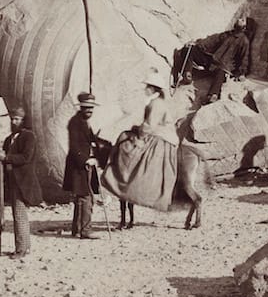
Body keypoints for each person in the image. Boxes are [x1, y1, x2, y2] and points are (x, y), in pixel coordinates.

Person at [101, 72, 180, 212]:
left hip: (161, 137)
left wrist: (138, 133)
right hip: (158, 133)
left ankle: (127, 181)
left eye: (148, 87)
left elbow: (149, 125)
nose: (145, 89)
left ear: (153, 89)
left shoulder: (156, 104)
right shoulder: (156, 102)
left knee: (128, 148)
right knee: (126, 137)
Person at [0, 105, 42, 259]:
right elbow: (5, 156)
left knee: (19, 215)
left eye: (17, 119)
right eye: (12, 118)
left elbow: (25, 158)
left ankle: (21, 249)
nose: (14, 121)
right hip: (12, 181)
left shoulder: (29, 137)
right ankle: (25, 246)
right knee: (18, 214)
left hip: (24, 181)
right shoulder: (9, 139)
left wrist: (6, 157)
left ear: (23, 121)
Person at [63, 92, 108, 238]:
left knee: (81, 196)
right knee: (85, 196)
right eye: (87, 107)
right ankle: (85, 230)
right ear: (81, 107)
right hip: (80, 166)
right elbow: (74, 147)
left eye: (91, 108)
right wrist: (86, 160)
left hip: (84, 165)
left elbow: (91, 141)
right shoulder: (75, 123)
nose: (89, 110)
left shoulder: (83, 122)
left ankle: (77, 229)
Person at [203, 18, 252, 101]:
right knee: (192, 50)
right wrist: (199, 43)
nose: (240, 20)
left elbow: (244, 57)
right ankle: (187, 73)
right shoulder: (227, 34)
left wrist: (241, 72)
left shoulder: (244, 41)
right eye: (239, 19)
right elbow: (212, 40)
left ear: (244, 28)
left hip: (225, 66)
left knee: (221, 72)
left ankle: (213, 94)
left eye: (242, 20)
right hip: (213, 61)